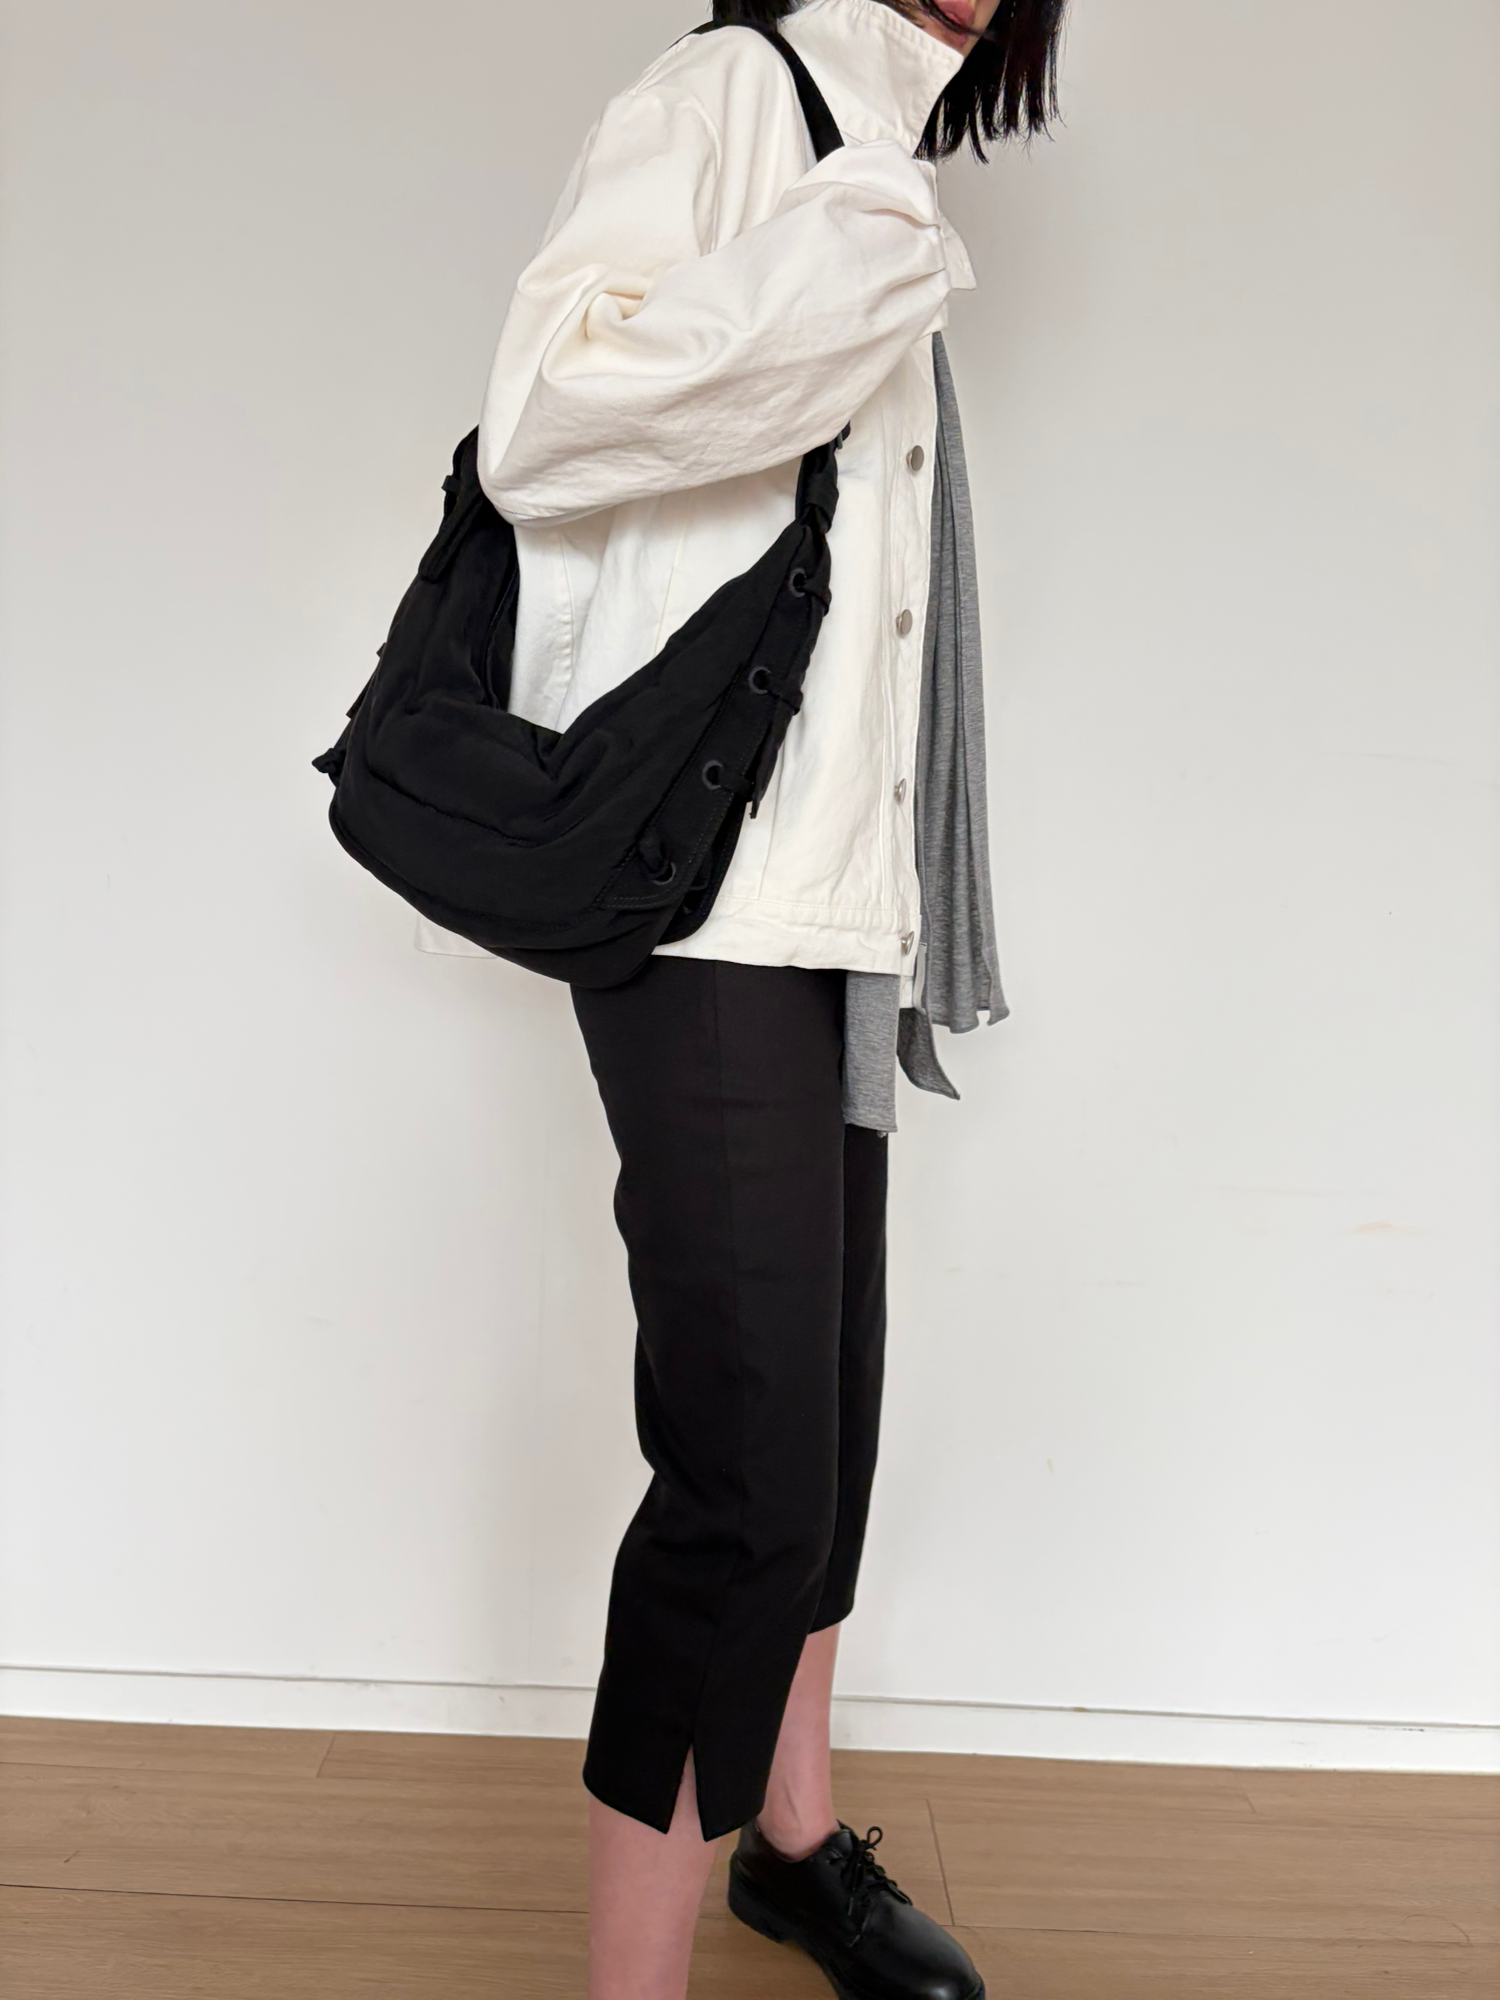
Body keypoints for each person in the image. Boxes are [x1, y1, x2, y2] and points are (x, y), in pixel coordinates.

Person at [445, 3, 1066, 1994]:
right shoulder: (735, 102)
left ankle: (791, 1848)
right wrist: (852, 239)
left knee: (831, 1434)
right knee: (746, 1477)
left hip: (838, 907)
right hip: (705, 899)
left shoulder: (883, 161)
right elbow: (546, 415)